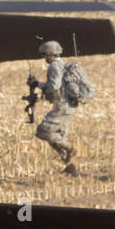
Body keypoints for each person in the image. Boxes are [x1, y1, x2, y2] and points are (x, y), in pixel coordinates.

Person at [28, 39, 78, 176]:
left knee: (43, 131)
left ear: (50, 54)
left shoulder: (54, 66)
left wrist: (40, 87)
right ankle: (69, 166)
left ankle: (70, 149)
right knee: (58, 135)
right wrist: (38, 84)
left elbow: (54, 86)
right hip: (69, 104)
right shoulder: (63, 64)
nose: (43, 58)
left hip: (62, 105)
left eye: (44, 55)